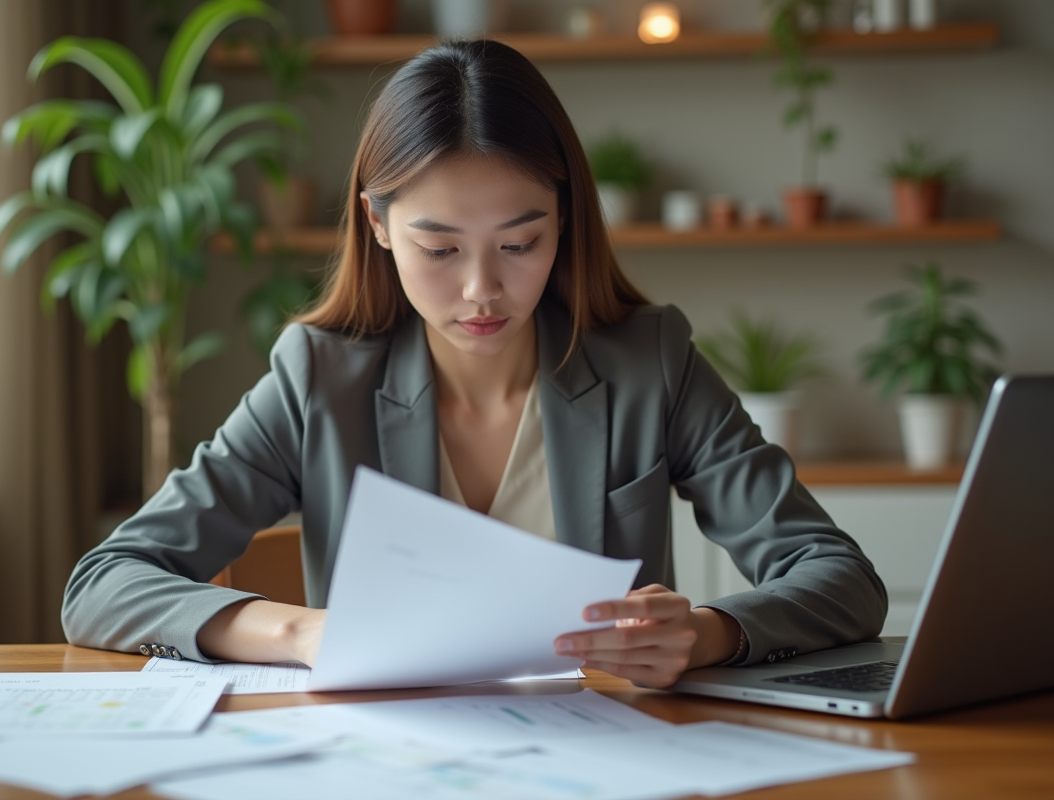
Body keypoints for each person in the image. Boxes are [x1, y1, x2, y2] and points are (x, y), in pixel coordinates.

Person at [62, 39, 886, 689]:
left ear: (564, 221)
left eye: (520, 243)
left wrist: (708, 634)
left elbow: (842, 578)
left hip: (609, 759)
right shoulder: (318, 378)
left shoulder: (650, 362)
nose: (482, 290)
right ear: (378, 226)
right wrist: (300, 631)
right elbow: (105, 582)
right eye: (440, 248)